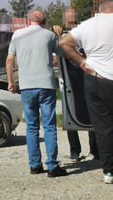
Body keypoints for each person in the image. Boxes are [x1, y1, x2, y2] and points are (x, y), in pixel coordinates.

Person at [6, 10, 67, 177]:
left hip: (26, 86)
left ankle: (35, 165)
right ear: (44, 22)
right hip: (46, 86)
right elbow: (62, 55)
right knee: (49, 126)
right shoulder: (49, 35)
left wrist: (11, 82)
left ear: (29, 21)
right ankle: (53, 167)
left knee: (32, 127)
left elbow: (10, 59)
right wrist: (58, 36)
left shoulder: (17, 34)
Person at [60, 1, 113, 184]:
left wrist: (82, 62)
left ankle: (109, 172)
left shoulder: (88, 25)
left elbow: (64, 43)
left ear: (98, 11)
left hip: (96, 78)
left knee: (103, 127)